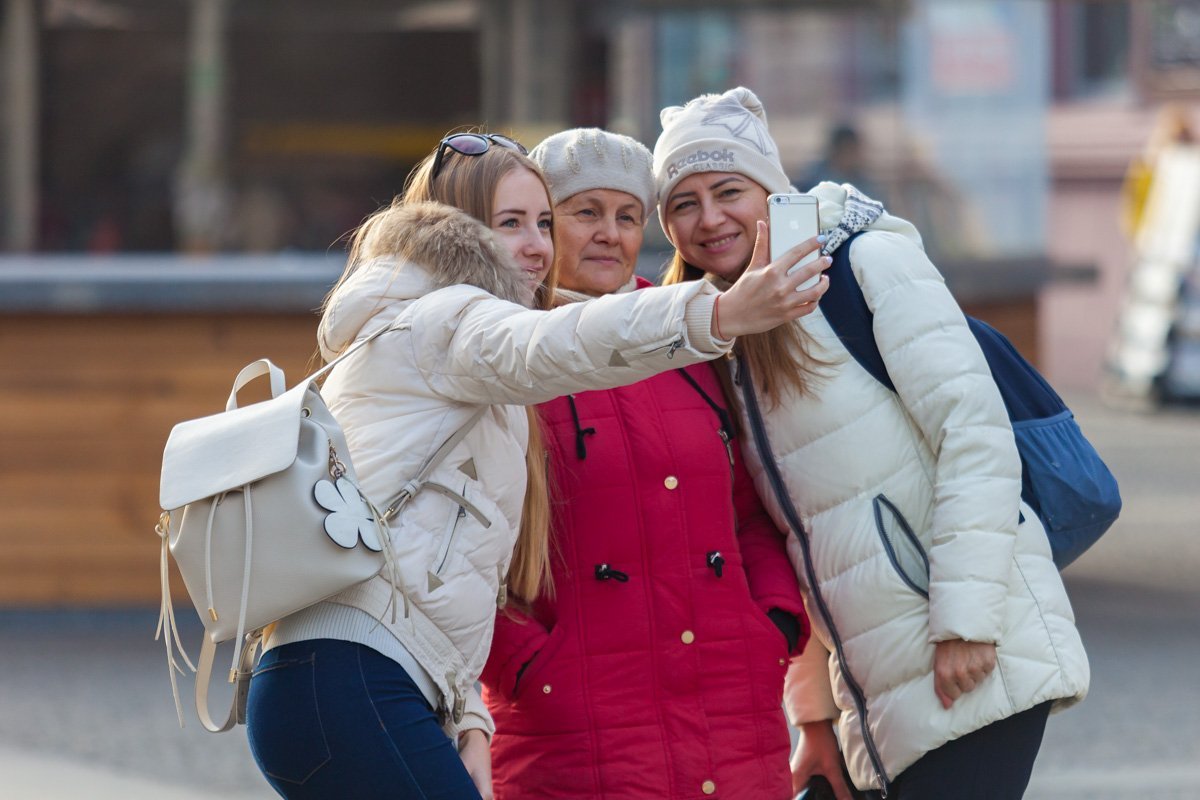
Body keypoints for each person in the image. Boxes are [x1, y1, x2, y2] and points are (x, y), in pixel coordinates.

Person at [244, 131, 828, 800]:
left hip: (363, 677)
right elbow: (556, 343)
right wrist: (719, 311)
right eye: (511, 223)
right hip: (348, 675)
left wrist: (468, 718)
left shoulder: (440, 328)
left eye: (542, 222)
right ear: (459, 233)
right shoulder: (444, 320)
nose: (536, 245)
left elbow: (447, 572)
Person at [653, 87, 1090, 800]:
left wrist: (966, 623)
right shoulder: (721, 329)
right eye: (682, 203)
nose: (709, 219)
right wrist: (815, 714)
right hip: (873, 686)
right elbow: (794, 529)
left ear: (772, 188)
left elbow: (973, 437)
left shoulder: (866, 265)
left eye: (728, 190)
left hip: (969, 652)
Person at [479, 128, 814, 799]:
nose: (609, 233)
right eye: (584, 212)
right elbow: (458, 546)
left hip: (731, 712)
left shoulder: (694, 339)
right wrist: (527, 666)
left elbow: (749, 511)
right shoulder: (499, 351)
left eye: (627, 216)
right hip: (571, 727)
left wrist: (770, 623)